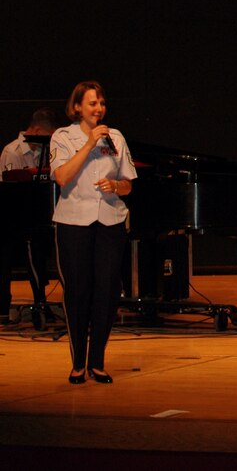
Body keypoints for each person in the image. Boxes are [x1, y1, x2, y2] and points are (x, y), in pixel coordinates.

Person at [50, 81, 136, 384]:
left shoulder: (115, 137)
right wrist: (87, 145)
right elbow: (62, 177)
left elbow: (128, 182)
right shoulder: (63, 137)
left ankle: (97, 361)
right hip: (74, 222)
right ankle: (78, 362)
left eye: (101, 103)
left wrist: (116, 186)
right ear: (77, 108)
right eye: (91, 103)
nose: (98, 108)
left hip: (109, 221)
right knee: (78, 290)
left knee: (106, 291)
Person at [1, 108, 61, 323]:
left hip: (35, 217)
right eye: (46, 137)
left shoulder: (44, 151)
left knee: (43, 240)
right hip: (13, 220)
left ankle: (45, 301)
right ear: (34, 130)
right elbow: (11, 195)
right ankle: (38, 301)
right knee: (31, 244)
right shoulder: (13, 152)